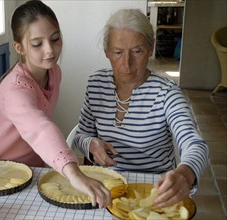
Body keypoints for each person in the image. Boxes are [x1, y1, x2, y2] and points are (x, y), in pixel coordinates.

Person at [0, 0, 110, 208]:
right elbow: (40, 129)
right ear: (20, 47)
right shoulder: (15, 90)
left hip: (31, 172)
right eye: (37, 44)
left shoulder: (54, 72)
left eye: (55, 39)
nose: (50, 50)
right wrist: (74, 172)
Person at [73, 9, 209, 208]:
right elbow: (81, 133)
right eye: (118, 53)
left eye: (137, 51)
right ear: (107, 53)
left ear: (151, 49)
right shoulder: (96, 84)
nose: (127, 64)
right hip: (106, 190)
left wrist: (184, 174)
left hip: (154, 192)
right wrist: (91, 144)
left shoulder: (166, 93)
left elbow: (195, 143)